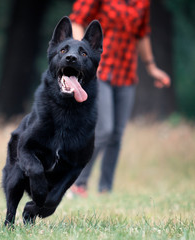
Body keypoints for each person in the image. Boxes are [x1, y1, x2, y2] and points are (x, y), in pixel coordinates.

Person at [69, 0, 171, 197]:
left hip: (126, 74)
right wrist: (81, 52)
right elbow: (76, 20)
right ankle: (78, 183)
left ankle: (105, 189)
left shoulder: (142, 3)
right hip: (100, 70)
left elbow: (141, 34)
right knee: (104, 129)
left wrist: (151, 67)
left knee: (117, 134)